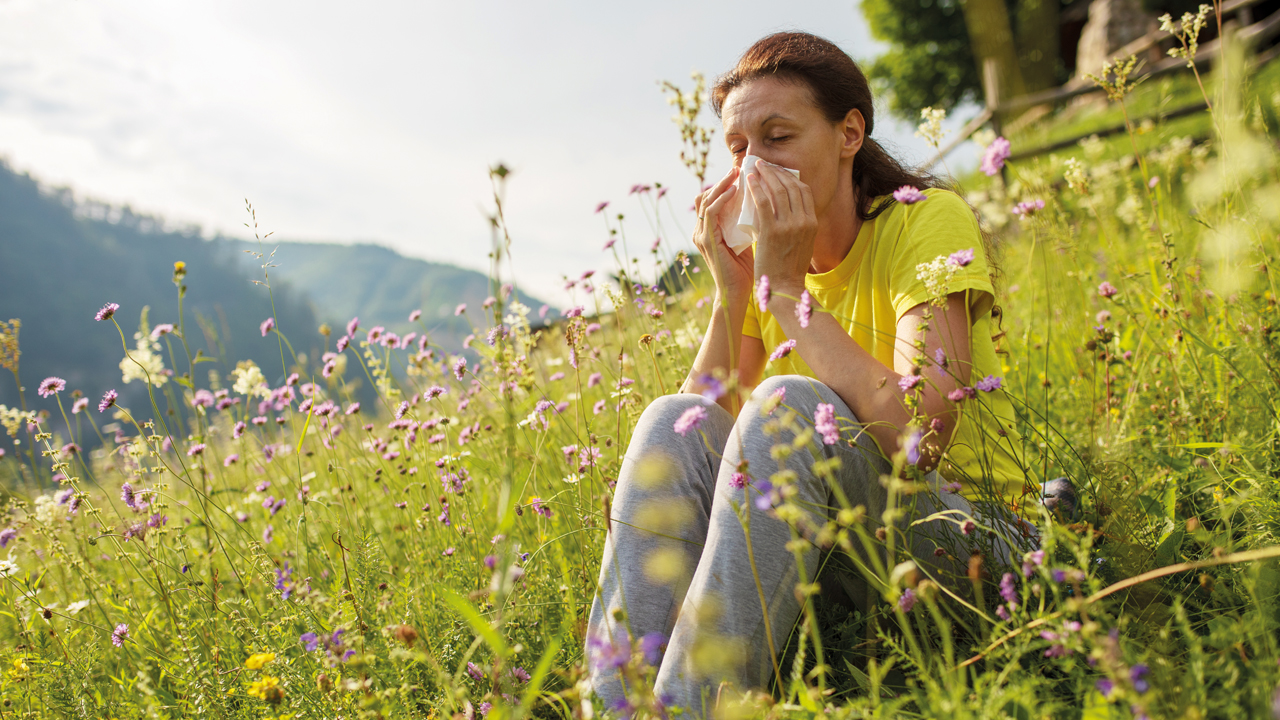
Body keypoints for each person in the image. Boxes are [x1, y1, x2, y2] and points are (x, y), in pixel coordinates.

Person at [585, 31, 1034, 716]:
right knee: (667, 421)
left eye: (778, 137)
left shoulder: (925, 220)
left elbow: (922, 440)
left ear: (848, 133)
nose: (754, 166)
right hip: (846, 559)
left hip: (971, 549)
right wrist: (735, 294)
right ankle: (616, 707)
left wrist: (786, 294)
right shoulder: (770, 272)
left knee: (788, 404)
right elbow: (694, 443)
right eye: (739, 148)